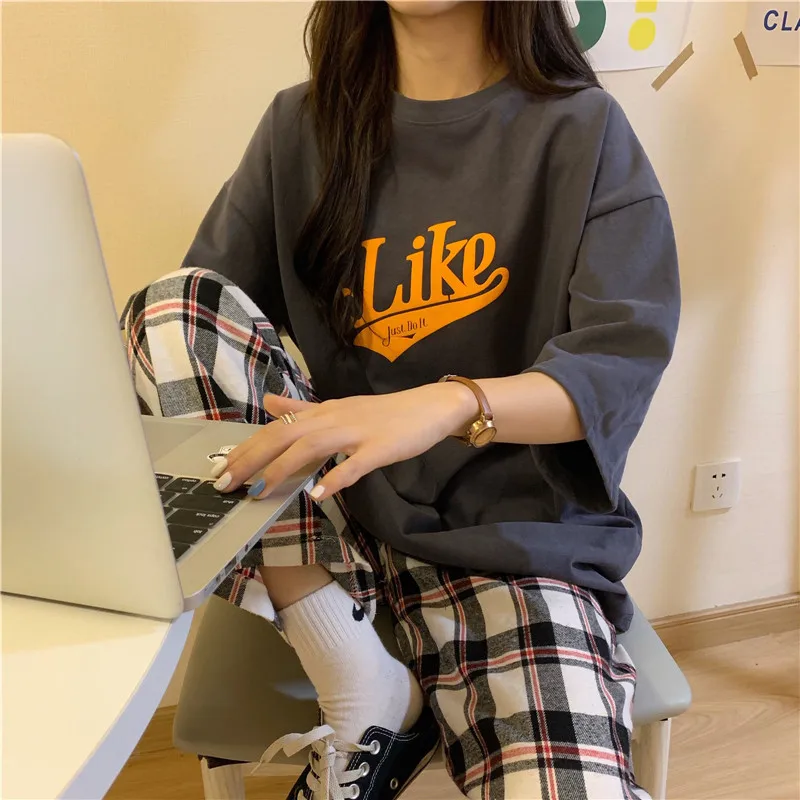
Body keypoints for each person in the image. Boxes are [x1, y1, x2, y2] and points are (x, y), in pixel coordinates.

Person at [123, 1, 680, 798]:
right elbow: (194, 335)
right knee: (169, 306)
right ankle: (360, 686)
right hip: (323, 530)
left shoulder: (583, 130)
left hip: (511, 546)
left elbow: (616, 364)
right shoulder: (298, 127)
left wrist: (447, 405)